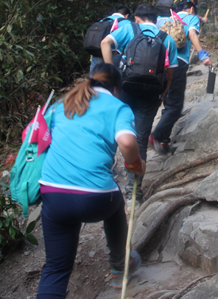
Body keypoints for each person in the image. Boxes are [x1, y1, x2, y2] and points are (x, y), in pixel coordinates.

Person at [36, 63, 145, 298]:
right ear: (116, 88)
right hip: (96, 198)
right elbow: (126, 143)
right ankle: (120, 266)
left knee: (56, 268)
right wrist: (135, 165)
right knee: (115, 204)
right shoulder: (118, 107)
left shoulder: (61, 104)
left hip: (53, 194)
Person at [100, 4, 178, 203]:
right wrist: (163, 94)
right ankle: (133, 192)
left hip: (125, 89)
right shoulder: (167, 39)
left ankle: (103, 180)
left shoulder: (128, 29)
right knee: (141, 139)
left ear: (136, 18)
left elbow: (104, 43)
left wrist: (111, 78)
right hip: (151, 94)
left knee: (113, 132)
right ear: (155, 19)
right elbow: (169, 73)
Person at [150, 0, 213, 154]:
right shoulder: (191, 19)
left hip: (157, 63)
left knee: (166, 101)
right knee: (175, 106)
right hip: (177, 63)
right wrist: (202, 53)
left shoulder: (164, 19)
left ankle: (162, 141)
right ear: (191, 9)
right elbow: (192, 33)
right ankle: (156, 136)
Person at [90, 5, 132, 73]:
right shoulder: (127, 23)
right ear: (127, 15)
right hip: (114, 55)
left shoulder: (103, 20)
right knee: (113, 80)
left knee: (94, 80)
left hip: (97, 53)